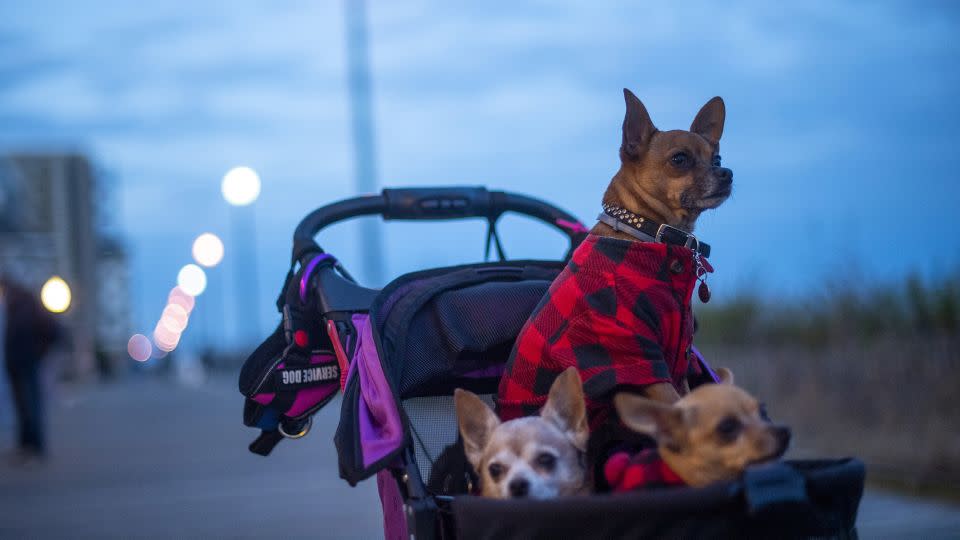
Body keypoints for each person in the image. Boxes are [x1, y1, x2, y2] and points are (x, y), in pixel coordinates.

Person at [1, 275, 61, 463]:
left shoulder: (21, 304)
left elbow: (46, 331)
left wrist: (36, 353)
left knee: (29, 405)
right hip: (22, 362)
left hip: (25, 362)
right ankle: (27, 445)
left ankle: (33, 446)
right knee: (25, 405)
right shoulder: (20, 303)